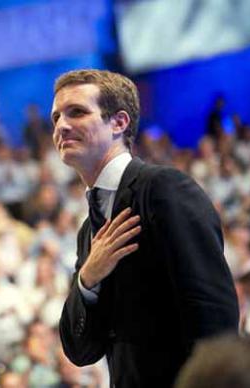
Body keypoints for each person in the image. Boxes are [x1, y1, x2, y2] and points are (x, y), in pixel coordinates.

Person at [52, 69, 239, 387]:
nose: (61, 126)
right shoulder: (88, 231)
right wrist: (87, 279)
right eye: (55, 117)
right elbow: (81, 351)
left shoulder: (162, 188)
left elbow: (213, 314)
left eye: (77, 112)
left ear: (119, 123)